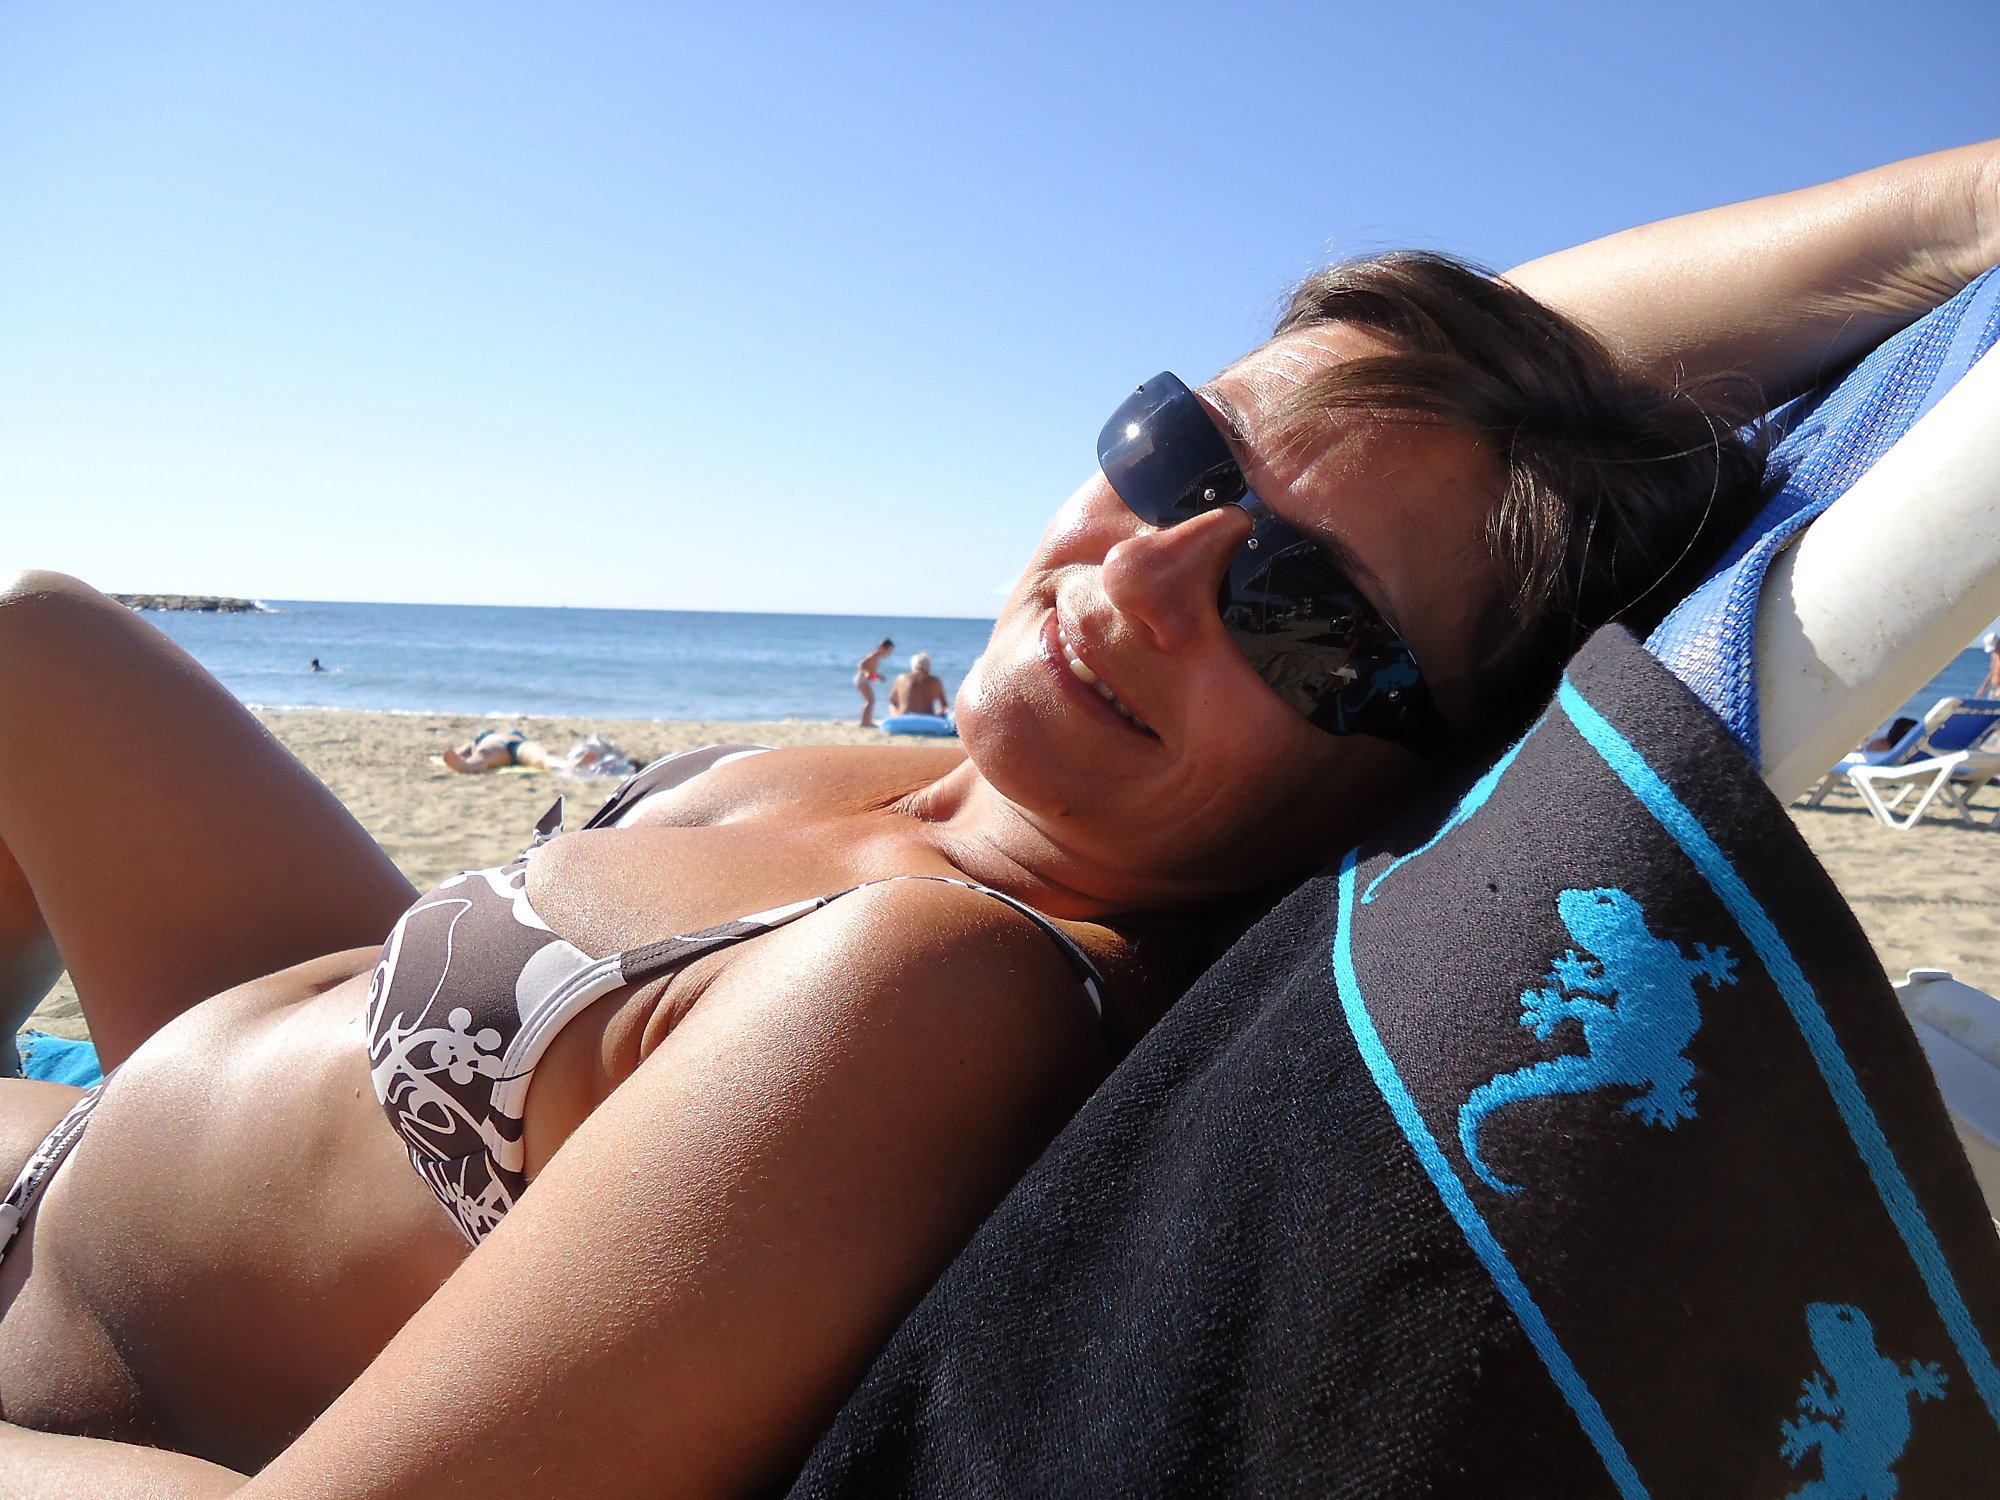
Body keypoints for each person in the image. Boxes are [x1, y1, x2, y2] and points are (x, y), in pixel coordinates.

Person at [0, 141, 1992, 1496]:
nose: (1139, 575)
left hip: (89, 1347)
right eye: (1181, 456)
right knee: (34, 639)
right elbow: (1454, 385)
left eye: (1295, 611)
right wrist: (1969, 197)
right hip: (201, 1091)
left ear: (1415, 763)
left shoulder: (936, 997)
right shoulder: (1002, 782)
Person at [888, 652, 950, 718]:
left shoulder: (901, 679)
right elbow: (945, 707)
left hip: (904, 718)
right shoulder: (935, 681)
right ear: (928, 667)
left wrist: (896, 715)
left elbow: (892, 702)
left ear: (913, 666)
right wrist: (936, 715)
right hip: (927, 719)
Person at [854, 637, 895, 727]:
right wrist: (866, 673)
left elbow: (871, 673)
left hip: (864, 679)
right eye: (888, 651)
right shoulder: (873, 655)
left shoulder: (877, 657)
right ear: (882, 648)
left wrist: (879, 677)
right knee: (870, 700)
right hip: (862, 679)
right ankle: (864, 722)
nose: (889, 654)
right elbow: (861, 665)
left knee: (870, 700)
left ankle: (867, 721)